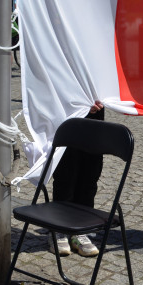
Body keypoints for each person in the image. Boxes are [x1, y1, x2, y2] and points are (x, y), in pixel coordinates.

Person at [50, 101, 106, 258]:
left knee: (90, 171)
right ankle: (59, 228)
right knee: (66, 170)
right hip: (67, 107)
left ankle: (81, 229)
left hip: (95, 110)